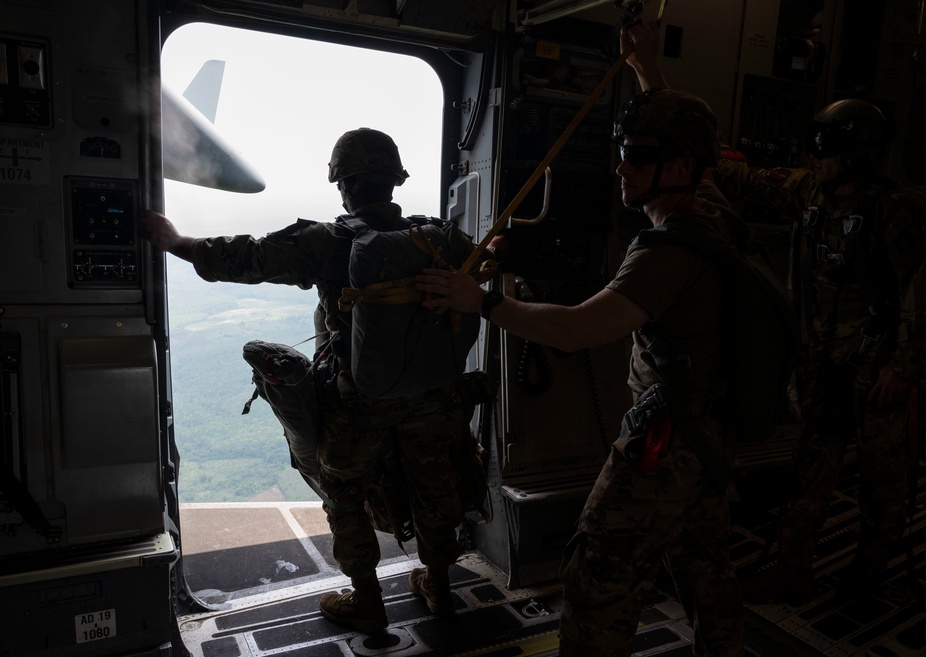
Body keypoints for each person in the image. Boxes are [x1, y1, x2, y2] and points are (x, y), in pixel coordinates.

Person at [415, 28, 745, 657]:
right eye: (622, 150)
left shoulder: (666, 252)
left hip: (666, 439)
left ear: (676, 168)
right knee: (706, 563)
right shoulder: (713, 212)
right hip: (713, 432)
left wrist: (480, 301)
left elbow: (576, 328)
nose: (620, 165)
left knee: (595, 576)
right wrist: (647, 69)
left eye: (636, 155)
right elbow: (681, 134)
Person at [143, 127, 500, 633]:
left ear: (343, 185)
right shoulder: (440, 236)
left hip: (360, 403)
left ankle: (367, 599)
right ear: (395, 181)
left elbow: (246, 258)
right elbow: (485, 263)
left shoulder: (329, 242)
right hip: (435, 398)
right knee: (435, 486)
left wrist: (177, 241)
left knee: (342, 490)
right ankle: (439, 587)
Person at [711, 99, 926, 602]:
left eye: (826, 149)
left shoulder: (898, 208)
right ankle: (795, 569)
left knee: (882, 479)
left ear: (857, 155)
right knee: (810, 468)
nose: (814, 157)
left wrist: (903, 369)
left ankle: (869, 575)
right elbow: (751, 181)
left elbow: (921, 291)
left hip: (877, 366)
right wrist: (696, 153)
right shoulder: (811, 194)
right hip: (823, 364)